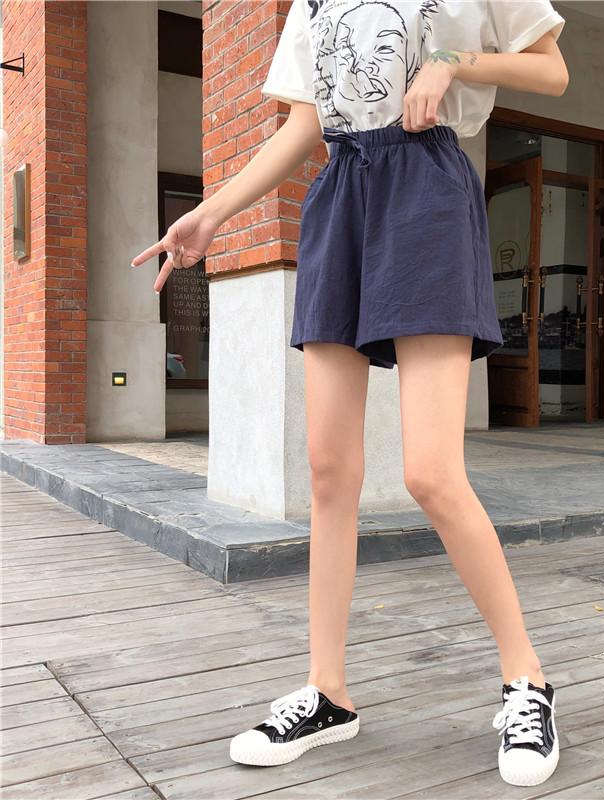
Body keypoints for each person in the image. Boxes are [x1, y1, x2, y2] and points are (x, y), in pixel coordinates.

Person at [131, 0, 568, 788]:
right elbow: (304, 125)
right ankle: (328, 692)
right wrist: (212, 213)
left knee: (431, 473)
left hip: (428, 189)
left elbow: (552, 69)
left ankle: (527, 681)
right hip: (341, 197)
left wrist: (453, 64)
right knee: (329, 471)